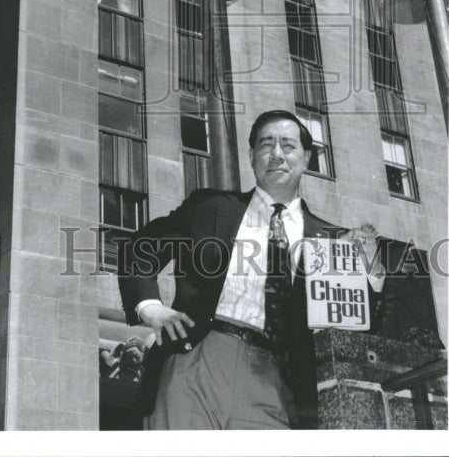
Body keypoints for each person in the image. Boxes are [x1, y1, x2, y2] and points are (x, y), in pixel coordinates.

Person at [117, 110, 385, 430]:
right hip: (198, 360)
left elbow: (356, 324)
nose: (276, 154)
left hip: (275, 381)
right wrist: (150, 307)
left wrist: (371, 269)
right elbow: (140, 249)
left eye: (288, 145)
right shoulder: (210, 207)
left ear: (306, 158)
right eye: (265, 144)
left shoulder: (329, 240)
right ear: (251, 156)